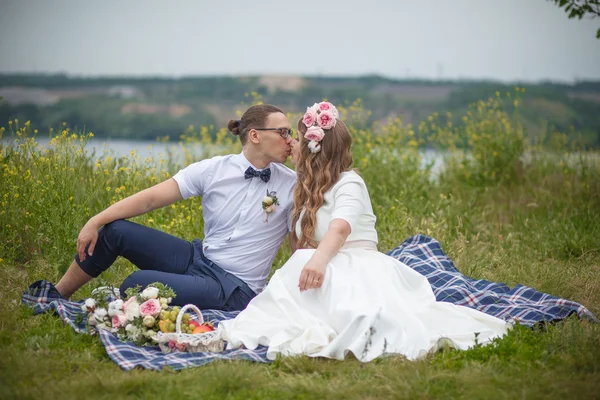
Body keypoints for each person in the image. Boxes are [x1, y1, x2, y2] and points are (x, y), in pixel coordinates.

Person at [217, 102, 510, 361]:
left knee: (362, 317)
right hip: (322, 266)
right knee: (278, 311)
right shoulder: (304, 187)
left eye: (297, 140)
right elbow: (299, 243)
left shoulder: (349, 183)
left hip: (355, 265)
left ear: (314, 149)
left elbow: (340, 228)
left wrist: (317, 261)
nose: (291, 144)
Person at [54, 104, 297, 311]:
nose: (290, 140)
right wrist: (95, 221)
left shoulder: (294, 186)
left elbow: (301, 248)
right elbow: (150, 199)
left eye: (291, 133)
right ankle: (56, 295)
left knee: (135, 284)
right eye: (283, 132)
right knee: (115, 231)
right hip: (199, 258)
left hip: (233, 287)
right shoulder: (214, 169)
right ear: (255, 135)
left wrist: (306, 165)